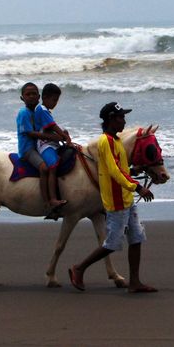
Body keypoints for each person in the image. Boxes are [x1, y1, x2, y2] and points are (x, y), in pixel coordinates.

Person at [68, 102, 157, 293]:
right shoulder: (105, 142)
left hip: (126, 198)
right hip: (116, 201)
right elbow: (115, 172)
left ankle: (134, 282)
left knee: (136, 237)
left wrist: (134, 171)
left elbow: (121, 169)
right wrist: (138, 187)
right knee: (112, 243)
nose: (124, 121)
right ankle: (79, 268)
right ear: (110, 119)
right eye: (120, 118)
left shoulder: (115, 141)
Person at [16, 82, 55, 214]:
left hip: (38, 146)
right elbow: (30, 133)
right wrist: (52, 137)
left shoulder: (38, 112)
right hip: (28, 149)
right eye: (28, 94)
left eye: (34, 94)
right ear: (22, 98)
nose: (31, 96)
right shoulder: (23, 113)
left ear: (39, 97)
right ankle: (46, 202)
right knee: (44, 168)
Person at [34, 83, 70, 215]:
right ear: (45, 97)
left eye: (57, 100)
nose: (55, 103)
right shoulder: (42, 109)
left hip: (51, 143)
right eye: (54, 100)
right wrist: (63, 136)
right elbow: (52, 126)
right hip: (44, 144)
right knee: (53, 165)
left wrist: (64, 133)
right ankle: (52, 199)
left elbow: (54, 127)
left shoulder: (46, 111)